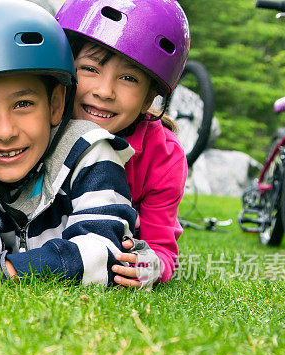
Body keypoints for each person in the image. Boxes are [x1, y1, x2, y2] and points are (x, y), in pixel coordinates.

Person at [0, 0, 143, 287]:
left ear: (56, 104)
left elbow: (102, 256)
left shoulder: (90, 152)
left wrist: (0, 270)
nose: (5, 132)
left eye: (23, 104)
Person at [56, 0, 191, 287]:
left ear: (148, 98)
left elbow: (162, 249)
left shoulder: (162, 156)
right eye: (90, 69)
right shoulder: (41, 122)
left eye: (128, 78)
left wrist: (151, 265)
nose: (104, 91)